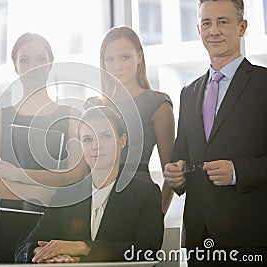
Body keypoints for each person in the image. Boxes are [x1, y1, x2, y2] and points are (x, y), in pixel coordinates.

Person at [164, 0, 267, 266]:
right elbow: (181, 155)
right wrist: (177, 175)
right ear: (199, 30)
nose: (214, 31)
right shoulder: (189, 93)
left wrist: (237, 172)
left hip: (251, 237)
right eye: (207, 23)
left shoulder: (264, 84)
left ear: (242, 27)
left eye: (223, 21)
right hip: (199, 237)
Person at [0, 32, 86, 263]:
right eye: (24, 60)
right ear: (15, 67)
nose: (33, 66)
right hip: (10, 223)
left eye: (40, 59)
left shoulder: (71, 116)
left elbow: (75, 174)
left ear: (50, 64)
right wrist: (41, 192)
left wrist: (19, 176)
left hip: (54, 223)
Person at [15, 106, 164, 263]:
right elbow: (22, 249)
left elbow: (149, 251)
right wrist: (42, 252)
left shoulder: (145, 194)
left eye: (105, 136)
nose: (96, 146)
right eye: (87, 139)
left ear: (122, 141)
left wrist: (83, 248)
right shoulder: (66, 196)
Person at [86, 26, 175, 214]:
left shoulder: (157, 103)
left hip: (139, 199)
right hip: (97, 201)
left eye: (125, 57)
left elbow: (172, 173)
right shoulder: (92, 106)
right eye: (110, 59)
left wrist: (158, 214)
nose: (117, 66)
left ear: (140, 57)